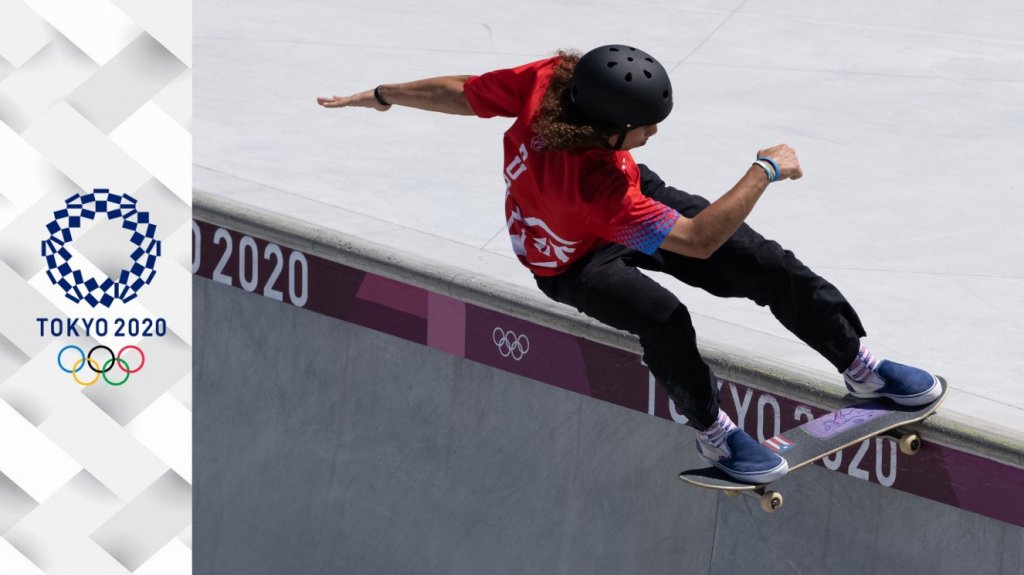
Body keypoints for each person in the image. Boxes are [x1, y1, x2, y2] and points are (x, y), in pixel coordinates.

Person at [317, 45, 941, 484]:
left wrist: (381, 96)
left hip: (625, 197)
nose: (654, 134)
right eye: (644, 127)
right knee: (665, 319)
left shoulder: (554, 80)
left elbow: (463, 91)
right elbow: (694, 241)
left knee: (764, 264)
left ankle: (862, 368)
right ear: (606, 130)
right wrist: (766, 169)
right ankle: (715, 433)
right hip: (571, 258)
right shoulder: (591, 186)